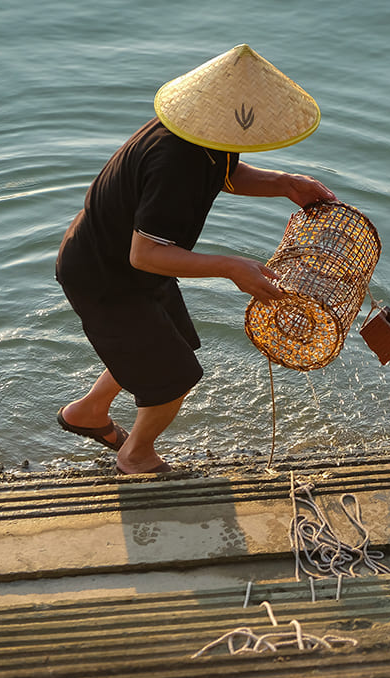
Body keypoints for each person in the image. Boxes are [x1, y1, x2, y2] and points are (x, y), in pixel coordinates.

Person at [55, 44, 336, 475]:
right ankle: (136, 457)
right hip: (105, 276)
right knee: (174, 378)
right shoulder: (176, 161)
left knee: (172, 343)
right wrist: (230, 267)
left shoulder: (203, 134)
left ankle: (89, 412)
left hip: (123, 264)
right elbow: (145, 252)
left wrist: (285, 183)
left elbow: (224, 173)